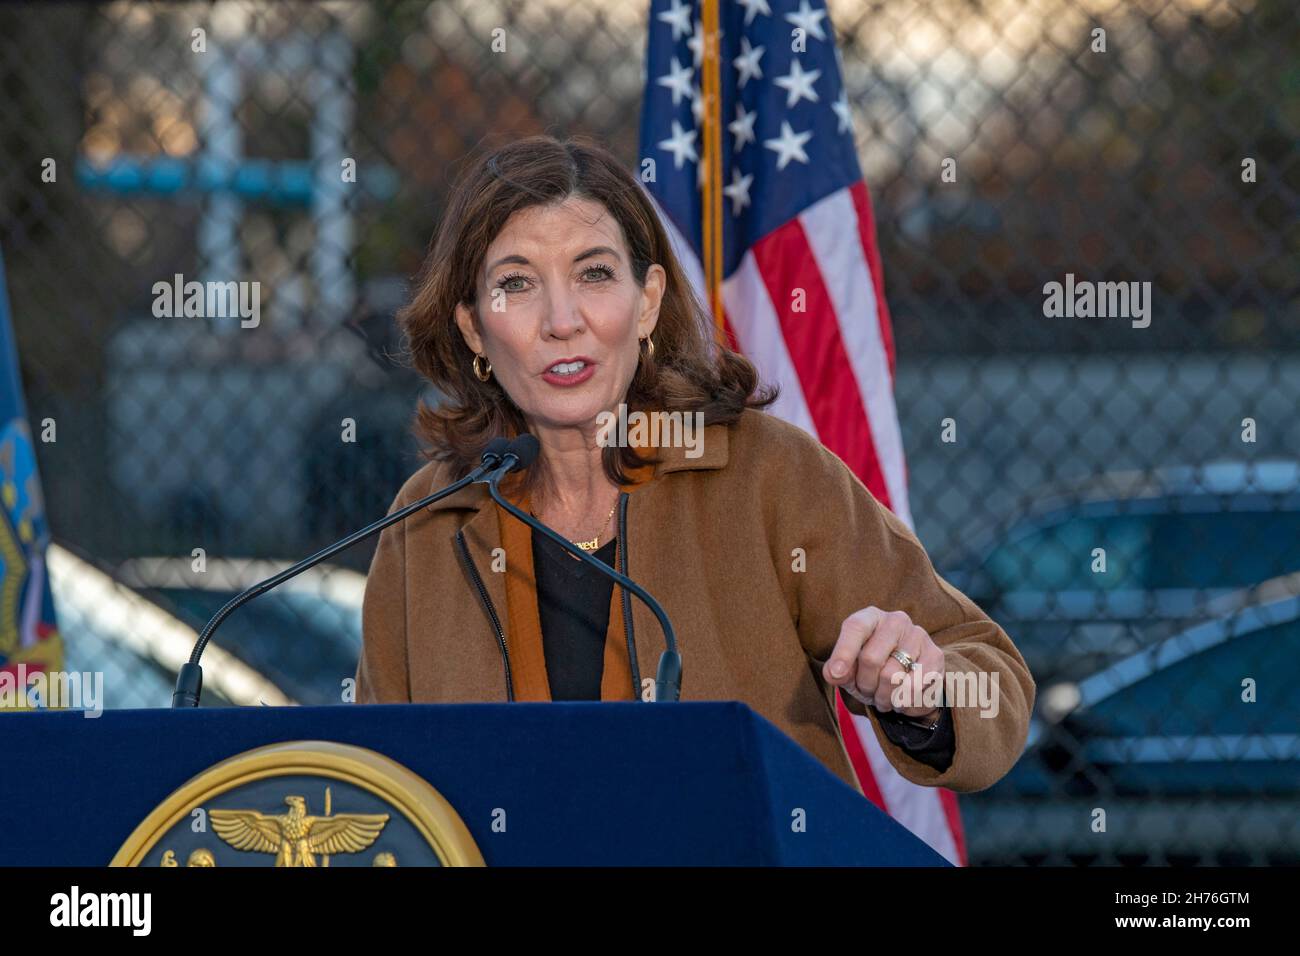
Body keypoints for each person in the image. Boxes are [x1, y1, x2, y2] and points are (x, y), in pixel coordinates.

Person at [355, 135, 1035, 795]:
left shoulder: (767, 473)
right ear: (474, 326)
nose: (563, 320)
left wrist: (923, 693)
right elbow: (375, 779)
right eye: (517, 284)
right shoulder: (430, 516)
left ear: (647, 300)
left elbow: (991, 677)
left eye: (595, 273)